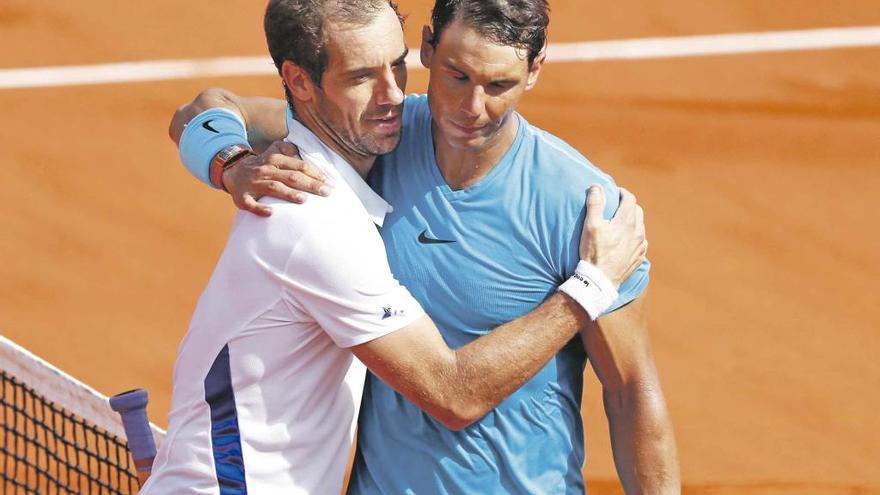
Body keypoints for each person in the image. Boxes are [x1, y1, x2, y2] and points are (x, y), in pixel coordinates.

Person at [151, 0, 651, 494]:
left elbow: (632, 391)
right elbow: (452, 392)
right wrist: (591, 286)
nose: (391, 96)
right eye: (362, 76)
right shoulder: (314, 212)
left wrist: (231, 161)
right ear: (301, 82)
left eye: (396, 65)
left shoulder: (367, 139)